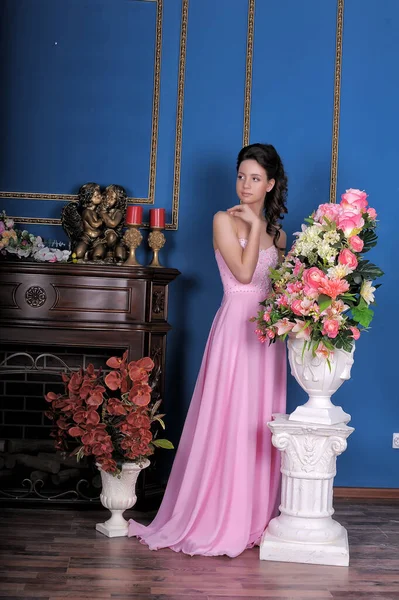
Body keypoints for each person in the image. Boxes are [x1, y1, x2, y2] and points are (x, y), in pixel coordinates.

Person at [128, 143, 288, 557]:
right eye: (241, 176)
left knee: (259, 423)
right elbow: (244, 272)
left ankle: (255, 517)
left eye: (255, 178)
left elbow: (277, 288)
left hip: (267, 338)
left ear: (270, 184)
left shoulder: (280, 235)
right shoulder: (223, 220)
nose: (245, 185)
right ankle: (219, 515)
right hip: (236, 328)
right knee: (230, 418)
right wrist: (253, 227)